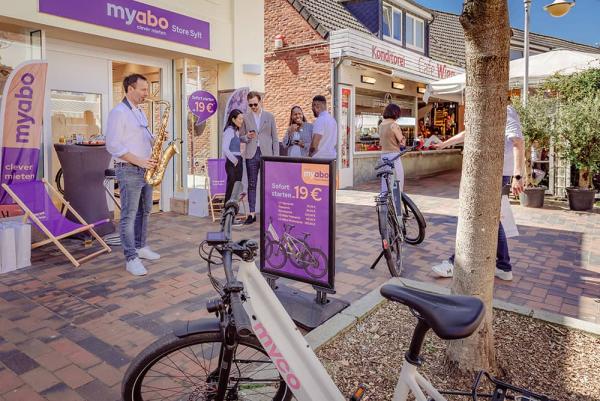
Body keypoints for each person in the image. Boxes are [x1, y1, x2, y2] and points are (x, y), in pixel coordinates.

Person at [431, 101, 525, 281]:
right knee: (492, 220)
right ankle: (503, 266)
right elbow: (470, 132)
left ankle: (455, 263)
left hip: (497, 174)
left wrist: (517, 175)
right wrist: (444, 144)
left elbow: (517, 142)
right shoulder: (490, 111)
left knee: (476, 217)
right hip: (489, 172)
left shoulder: (506, 110)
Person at [106, 73, 160, 277]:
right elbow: (113, 145)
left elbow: (142, 137)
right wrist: (139, 160)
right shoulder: (118, 112)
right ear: (130, 89)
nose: (147, 93)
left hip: (145, 168)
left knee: (145, 210)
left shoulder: (139, 111)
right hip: (129, 169)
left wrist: (155, 142)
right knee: (128, 216)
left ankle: (140, 246)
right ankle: (131, 258)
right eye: (143, 89)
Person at [239, 91, 278, 225]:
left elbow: (275, 139)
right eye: (251, 105)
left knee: (268, 184)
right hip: (252, 153)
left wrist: (275, 158)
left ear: (260, 101)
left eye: (255, 104)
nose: (254, 107)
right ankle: (251, 213)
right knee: (252, 184)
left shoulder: (270, 116)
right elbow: (241, 136)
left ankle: (269, 212)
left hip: (266, 154)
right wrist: (247, 137)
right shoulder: (246, 117)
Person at [379, 103, 406, 193]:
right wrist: (403, 139)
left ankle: (384, 205)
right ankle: (396, 204)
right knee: (397, 181)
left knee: (385, 182)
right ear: (396, 113)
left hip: (383, 156)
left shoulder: (381, 125)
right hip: (394, 156)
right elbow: (402, 142)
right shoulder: (394, 125)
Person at [222, 109, 245, 203]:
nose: (241, 121)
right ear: (233, 119)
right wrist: (234, 160)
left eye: (242, 119)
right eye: (239, 119)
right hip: (232, 162)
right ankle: (226, 209)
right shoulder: (229, 131)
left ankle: (233, 210)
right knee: (231, 185)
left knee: (237, 186)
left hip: (238, 160)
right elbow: (225, 148)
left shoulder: (236, 131)